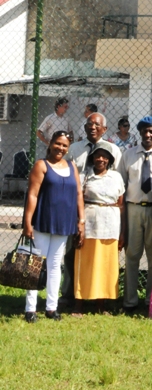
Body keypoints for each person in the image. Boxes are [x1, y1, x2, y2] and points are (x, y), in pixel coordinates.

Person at [23, 130, 84, 322]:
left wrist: (80, 220)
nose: (60, 148)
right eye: (57, 143)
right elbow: (32, 195)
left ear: (68, 148)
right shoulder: (41, 165)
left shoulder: (71, 166)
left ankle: (51, 307)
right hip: (43, 220)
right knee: (36, 265)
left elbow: (79, 194)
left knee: (55, 265)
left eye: (65, 145)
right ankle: (30, 309)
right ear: (50, 143)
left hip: (64, 223)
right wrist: (27, 222)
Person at [61, 113, 122, 304]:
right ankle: (70, 293)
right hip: (74, 206)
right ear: (85, 127)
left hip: (103, 212)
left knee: (100, 257)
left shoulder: (114, 150)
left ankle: (98, 297)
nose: (93, 127)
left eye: (97, 124)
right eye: (89, 124)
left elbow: (116, 181)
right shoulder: (75, 149)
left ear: (105, 129)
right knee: (73, 251)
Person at [119, 115, 152, 313]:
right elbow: (121, 185)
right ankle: (130, 301)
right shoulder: (129, 155)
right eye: (145, 131)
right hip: (133, 208)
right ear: (140, 133)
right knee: (132, 255)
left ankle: (151, 301)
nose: (148, 134)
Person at [73, 142, 125, 316]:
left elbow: (121, 204)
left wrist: (122, 231)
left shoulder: (116, 177)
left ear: (109, 159)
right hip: (89, 225)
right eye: (97, 156)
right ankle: (79, 305)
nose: (100, 159)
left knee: (105, 265)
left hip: (110, 226)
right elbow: (78, 200)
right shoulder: (84, 176)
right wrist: (79, 226)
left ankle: (101, 305)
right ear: (92, 158)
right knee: (84, 264)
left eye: (104, 156)